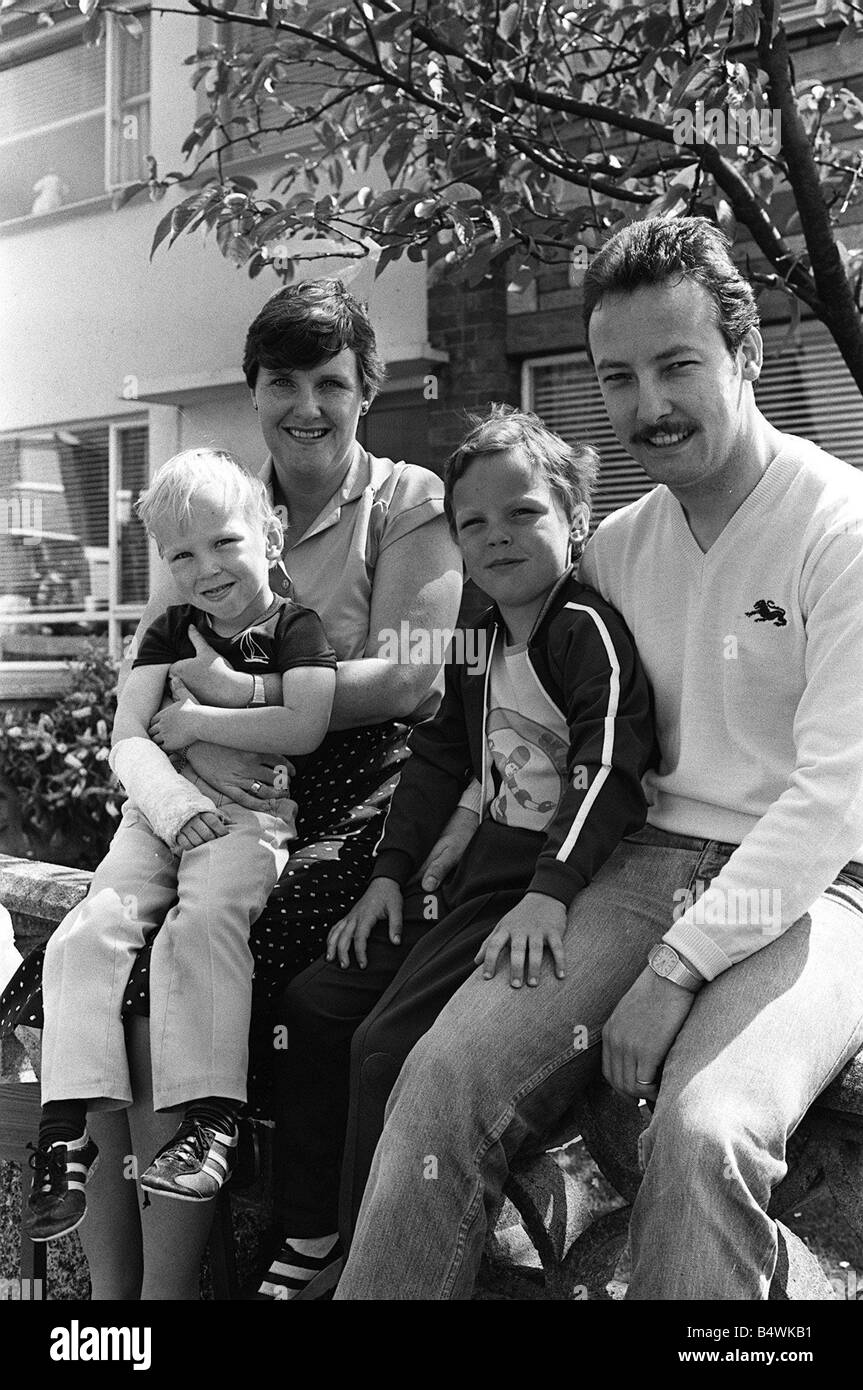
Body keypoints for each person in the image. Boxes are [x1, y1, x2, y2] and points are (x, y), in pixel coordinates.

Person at [334, 216, 863, 1301]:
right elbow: (501, 695)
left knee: (704, 1131)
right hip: (638, 863)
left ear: (745, 354)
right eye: (616, 377)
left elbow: (832, 799)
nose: (645, 406)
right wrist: (431, 846)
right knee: (438, 1078)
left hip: (816, 888)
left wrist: (676, 969)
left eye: (675, 366)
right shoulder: (617, 548)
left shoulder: (837, 528)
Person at [0, 279, 462, 1299]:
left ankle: (168, 1300)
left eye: (330, 383)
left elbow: (414, 675)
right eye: (281, 382)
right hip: (209, 786)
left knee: (178, 983)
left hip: (349, 792)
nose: (306, 405)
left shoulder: (407, 500)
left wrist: (237, 694)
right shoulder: (212, 505)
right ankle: (110, 1305)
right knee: (105, 981)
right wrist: (188, 733)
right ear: (251, 391)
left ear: (364, 391)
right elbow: (155, 671)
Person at [254, 405, 655, 1299]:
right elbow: (440, 752)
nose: (496, 536)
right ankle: (310, 1232)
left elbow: (611, 764)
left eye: (523, 513)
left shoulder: (579, 629)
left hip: (544, 885)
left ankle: (371, 1261)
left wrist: (551, 891)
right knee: (317, 999)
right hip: (472, 879)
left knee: (388, 1046)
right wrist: (389, 877)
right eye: (473, 522)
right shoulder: (478, 629)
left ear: (575, 520)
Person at [25, 449, 337, 1239]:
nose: (205, 568)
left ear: (268, 535)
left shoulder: (296, 628)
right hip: (155, 817)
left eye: (224, 542)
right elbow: (128, 737)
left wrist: (199, 721)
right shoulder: (169, 631)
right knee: (89, 926)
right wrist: (168, 804)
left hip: (245, 817)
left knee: (205, 924)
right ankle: (64, 1132)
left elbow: (304, 723)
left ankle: (211, 1123)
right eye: (181, 554)